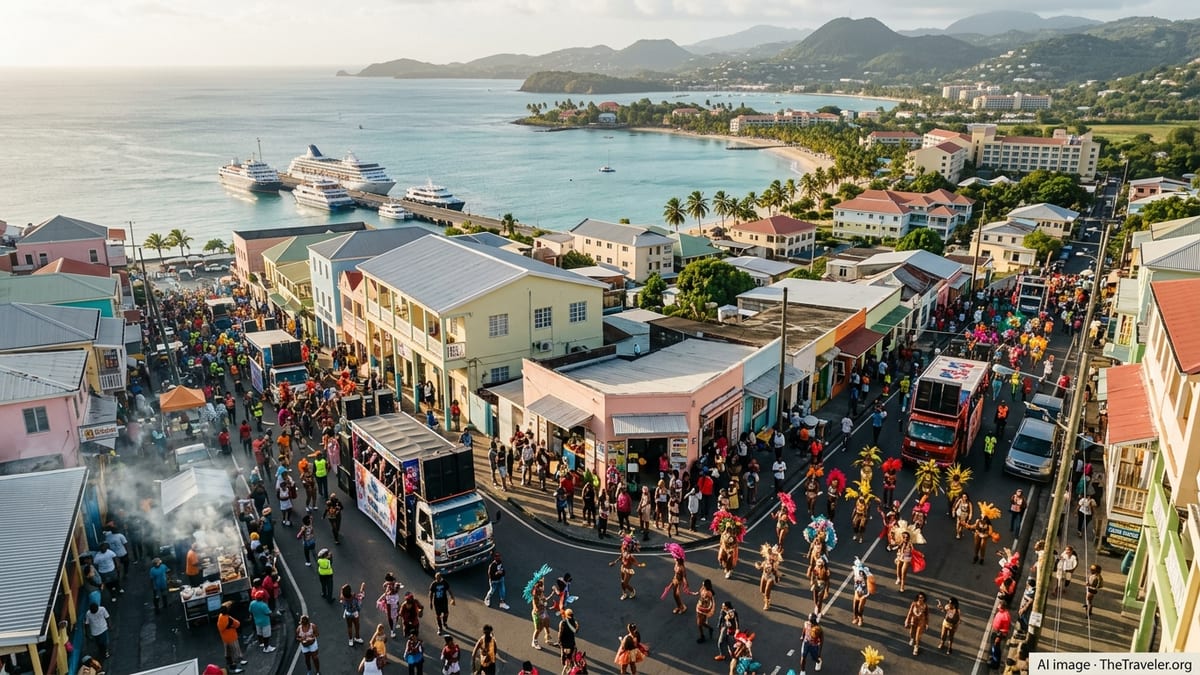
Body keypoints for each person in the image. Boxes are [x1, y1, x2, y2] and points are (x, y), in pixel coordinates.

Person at [218, 603, 247, 674]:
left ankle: (230, 665)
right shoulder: (228, 619)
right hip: (232, 637)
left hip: (225, 638)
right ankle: (237, 667)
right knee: (236, 652)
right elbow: (237, 624)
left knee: (228, 653)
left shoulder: (220, 617)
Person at [905, 591, 929, 656]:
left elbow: (927, 615)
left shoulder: (925, 606)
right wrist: (907, 620)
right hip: (914, 621)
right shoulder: (914, 604)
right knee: (911, 633)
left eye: (922, 597)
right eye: (919, 597)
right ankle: (912, 638)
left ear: (924, 598)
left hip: (921, 622)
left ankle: (916, 647)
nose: (920, 599)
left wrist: (926, 623)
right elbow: (910, 613)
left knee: (917, 636)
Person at [558, 608, 581, 673]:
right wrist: (577, 626)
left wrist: (560, 642)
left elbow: (560, 633)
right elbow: (576, 631)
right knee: (571, 656)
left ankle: (565, 665)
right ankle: (571, 666)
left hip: (564, 643)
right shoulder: (574, 622)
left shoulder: (563, 623)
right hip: (571, 642)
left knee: (565, 655)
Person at [695, 578, 716, 642]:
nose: (702, 586)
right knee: (700, 622)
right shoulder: (703, 588)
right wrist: (697, 593)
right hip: (699, 606)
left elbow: (708, 602)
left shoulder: (708, 593)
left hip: (703, 609)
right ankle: (710, 629)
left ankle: (702, 636)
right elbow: (700, 591)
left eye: (704, 585)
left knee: (699, 623)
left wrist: (705, 608)